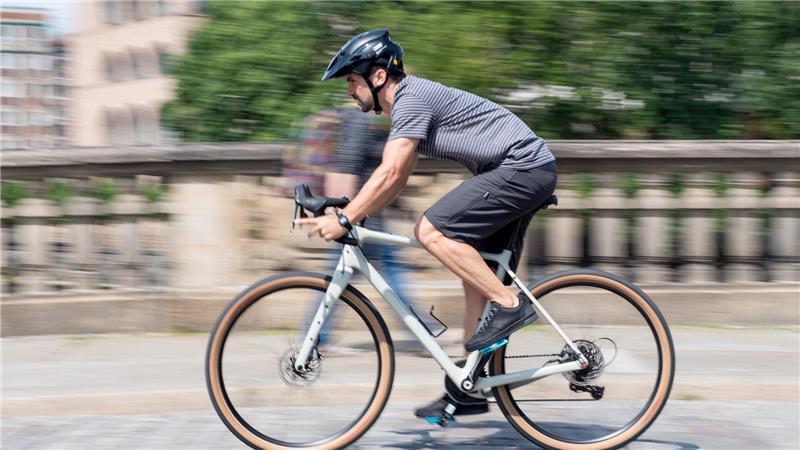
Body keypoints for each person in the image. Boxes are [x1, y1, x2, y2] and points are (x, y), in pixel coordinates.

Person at [295, 29, 557, 419]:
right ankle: (465, 388)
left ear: (378, 76)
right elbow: (396, 178)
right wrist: (350, 212)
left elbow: (390, 170)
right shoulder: (409, 104)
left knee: (431, 230)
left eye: (352, 81)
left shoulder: (411, 97)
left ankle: (510, 305)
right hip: (517, 170)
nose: (349, 91)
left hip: (521, 168)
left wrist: (348, 218)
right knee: (476, 273)